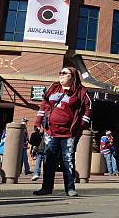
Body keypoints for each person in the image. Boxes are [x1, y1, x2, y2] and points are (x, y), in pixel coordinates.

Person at [33, 66, 92, 197]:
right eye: (60, 72)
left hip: (69, 133)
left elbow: (88, 109)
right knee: (48, 159)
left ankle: (70, 188)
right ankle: (46, 188)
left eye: (64, 73)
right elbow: (44, 104)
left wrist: (81, 124)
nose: (61, 75)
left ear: (73, 76)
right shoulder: (53, 88)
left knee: (68, 160)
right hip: (50, 131)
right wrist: (38, 122)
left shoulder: (81, 91)